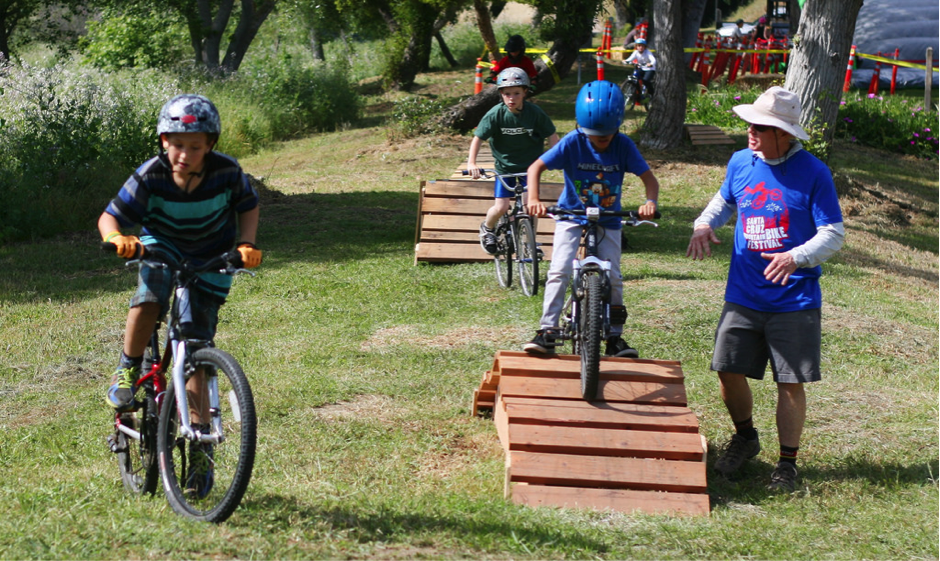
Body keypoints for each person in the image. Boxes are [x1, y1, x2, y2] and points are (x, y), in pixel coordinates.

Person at [686, 86, 845, 492]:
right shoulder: (741, 161)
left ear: (785, 134)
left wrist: (796, 257)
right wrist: (704, 224)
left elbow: (833, 233)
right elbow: (723, 202)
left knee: (788, 382)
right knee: (727, 369)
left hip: (795, 298)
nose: (751, 133)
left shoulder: (813, 172)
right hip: (743, 292)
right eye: (751, 125)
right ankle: (746, 436)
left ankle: (787, 463)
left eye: (761, 127)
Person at [100, 94, 261, 493]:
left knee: (196, 345)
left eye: (194, 145)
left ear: (210, 145)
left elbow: (249, 205)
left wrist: (246, 244)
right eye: (176, 144)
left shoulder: (227, 172)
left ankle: (201, 451)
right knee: (150, 296)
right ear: (163, 141)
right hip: (161, 246)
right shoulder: (150, 174)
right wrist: (118, 238)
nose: (184, 154)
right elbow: (110, 216)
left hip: (212, 254)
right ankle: (128, 366)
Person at [523, 80, 659, 358]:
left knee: (616, 277)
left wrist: (650, 202)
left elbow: (649, 180)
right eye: (596, 136)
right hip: (571, 215)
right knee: (559, 269)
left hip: (608, 219)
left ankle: (614, 338)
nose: (602, 140)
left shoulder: (623, 145)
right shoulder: (572, 143)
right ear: (582, 129)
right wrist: (534, 199)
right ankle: (547, 330)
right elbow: (535, 167)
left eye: (607, 136)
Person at [469, 67, 559, 255]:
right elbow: (478, 138)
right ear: (501, 93)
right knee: (501, 207)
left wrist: (554, 157)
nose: (512, 98)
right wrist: (472, 163)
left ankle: (530, 241)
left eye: (516, 93)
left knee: (529, 207)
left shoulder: (534, 113)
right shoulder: (495, 114)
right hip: (505, 168)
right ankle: (487, 228)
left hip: (530, 169)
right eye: (507, 94)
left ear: (525, 92)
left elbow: (551, 135)